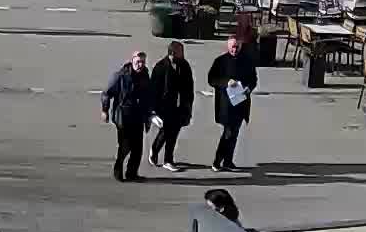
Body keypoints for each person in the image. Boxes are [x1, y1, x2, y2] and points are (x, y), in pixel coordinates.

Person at [101, 50, 154, 182]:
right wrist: (105, 110)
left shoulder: (145, 76)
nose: (140, 64)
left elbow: (148, 98)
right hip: (123, 117)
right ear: (132, 61)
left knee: (138, 149)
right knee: (125, 146)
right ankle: (118, 169)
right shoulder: (121, 76)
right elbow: (107, 93)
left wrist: (148, 118)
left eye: (142, 62)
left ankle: (132, 173)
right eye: (138, 61)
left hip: (138, 116)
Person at [206, 36, 258, 172]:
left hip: (241, 103)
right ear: (227, 47)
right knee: (227, 133)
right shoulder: (220, 61)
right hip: (226, 105)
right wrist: (226, 82)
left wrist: (248, 88)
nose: (234, 49)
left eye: (237, 47)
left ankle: (228, 161)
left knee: (234, 134)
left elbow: (253, 79)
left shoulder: (247, 61)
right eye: (232, 47)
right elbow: (211, 79)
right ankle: (217, 161)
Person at [149, 40, 195, 171]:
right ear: (172, 53)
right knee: (165, 131)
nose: (183, 54)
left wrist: (188, 105)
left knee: (174, 133)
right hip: (164, 107)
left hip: (180, 106)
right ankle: (155, 149)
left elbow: (189, 87)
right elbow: (154, 89)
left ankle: (168, 160)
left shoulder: (184, 66)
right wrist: (153, 110)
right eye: (181, 52)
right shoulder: (161, 67)